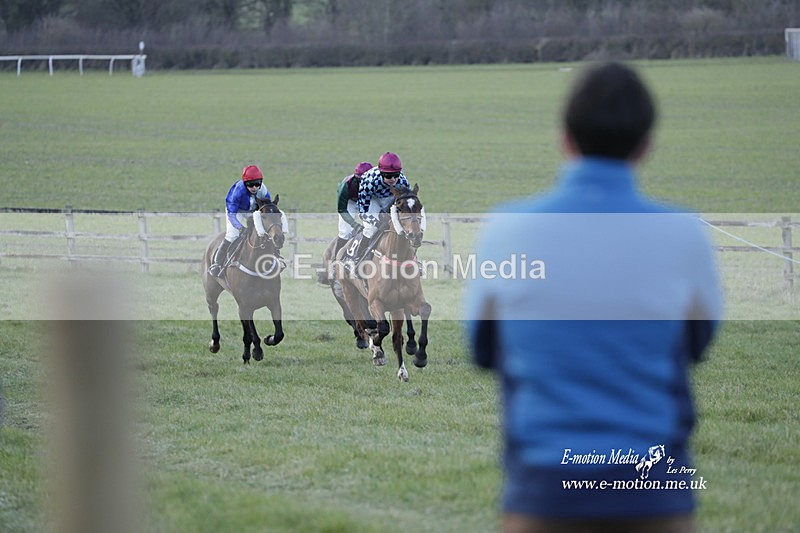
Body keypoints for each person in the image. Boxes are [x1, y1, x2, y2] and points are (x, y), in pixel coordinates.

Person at [464, 62, 723, 532]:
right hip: (654, 491)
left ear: (564, 138)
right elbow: (696, 345)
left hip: (542, 489)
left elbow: (483, 351)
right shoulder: (685, 234)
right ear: (646, 146)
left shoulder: (504, 231)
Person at [208, 164, 284, 277]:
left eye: (257, 183)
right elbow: (232, 215)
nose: (254, 187)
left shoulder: (263, 189)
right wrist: (240, 228)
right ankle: (217, 264)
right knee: (232, 235)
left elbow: (267, 207)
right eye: (250, 185)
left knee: (265, 232)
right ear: (245, 184)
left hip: (253, 210)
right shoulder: (238, 192)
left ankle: (276, 258)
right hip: (236, 211)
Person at [351, 152, 410, 263]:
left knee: (406, 227)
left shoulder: (403, 181)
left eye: (396, 174)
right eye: (388, 176)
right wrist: (377, 223)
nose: (393, 179)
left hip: (391, 197)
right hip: (373, 199)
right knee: (371, 229)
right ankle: (359, 258)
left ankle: (413, 259)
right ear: (381, 173)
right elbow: (362, 211)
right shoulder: (368, 181)